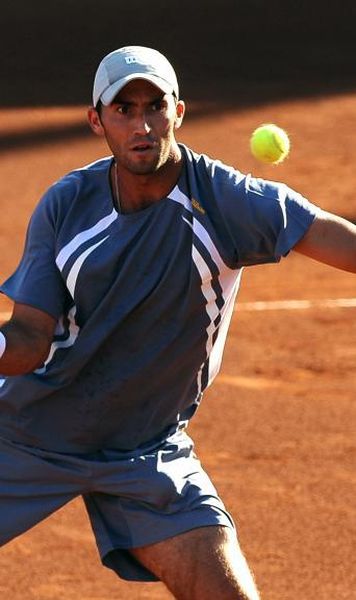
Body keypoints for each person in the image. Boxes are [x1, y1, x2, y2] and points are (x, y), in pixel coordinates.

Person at [0, 45, 355, 600]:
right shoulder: (66, 203)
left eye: (154, 106)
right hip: (27, 434)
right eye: (123, 110)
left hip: (146, 450)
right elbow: (26, 339)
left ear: (179, 112)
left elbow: (336, 239)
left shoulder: (228, 201)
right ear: (97, 121)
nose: (141, 125)